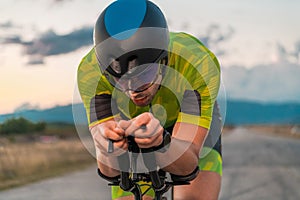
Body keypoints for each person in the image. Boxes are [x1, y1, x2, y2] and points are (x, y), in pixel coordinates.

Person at [77, 0, 222, 199]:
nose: (131, 90)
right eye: (118, 79)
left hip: (187, 123)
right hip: (133, 129)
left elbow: (187, 164)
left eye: (143, 76)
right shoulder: (90, 73)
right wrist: (108, 148)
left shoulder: (198, 63)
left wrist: (161, 142)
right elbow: (110, 171)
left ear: (164, 61)